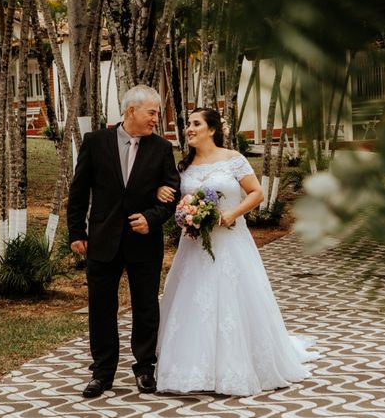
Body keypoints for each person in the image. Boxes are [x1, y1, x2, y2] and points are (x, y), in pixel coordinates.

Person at [154, 107, 319, 396]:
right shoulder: (184, 168)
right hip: (195, 247)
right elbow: (173, 197)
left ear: (212, 129)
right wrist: (181, 210)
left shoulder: (233, 159)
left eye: (195, 124)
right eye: (187, 124)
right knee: (194, 303)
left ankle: (239, 364)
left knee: (234, 300)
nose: (189, 129)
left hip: (231, 242)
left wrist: (231, 214)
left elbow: (257, 193)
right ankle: (195, 368)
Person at [67, 84, 180, 398]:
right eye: (152, 112)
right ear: (132, 110)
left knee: (146, 307)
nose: (156, 119)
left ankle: (145, 369)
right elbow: (78, 192)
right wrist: (76, 232)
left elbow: (173, 193)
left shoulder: (161, 148)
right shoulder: (96, 142)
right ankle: (102, 374)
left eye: (157, 113)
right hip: (103, 241)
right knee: (101, 308)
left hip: (145, 243)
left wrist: (152, 217)